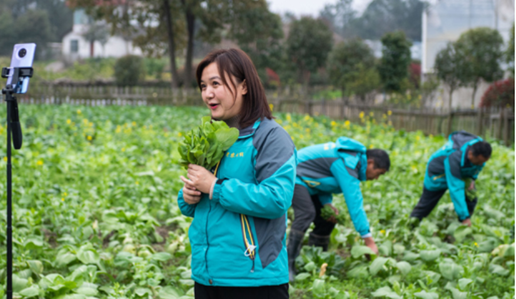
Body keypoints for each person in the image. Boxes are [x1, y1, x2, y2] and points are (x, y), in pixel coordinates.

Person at [177, 48, 297, 299]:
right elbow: (200, 202)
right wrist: (188, 196)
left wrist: (215, 186)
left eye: (216, 84)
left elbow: (277, 199)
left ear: (244, 86)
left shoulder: (271, 137)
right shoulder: (210, 137)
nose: (207, 93)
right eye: (202, 86)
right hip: (208, 276)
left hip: (254, 280)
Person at [287, 137, 390, 281]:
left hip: (307, 182)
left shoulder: (351, 160)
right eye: (379, 173)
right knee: (306, 213)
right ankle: (287, 265)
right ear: (371, 163)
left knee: (328, 219)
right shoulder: (348, 163)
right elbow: (355, 204)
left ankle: (316, 263)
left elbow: (322, 178)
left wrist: (327, 203)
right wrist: (369, 241)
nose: (377, 178)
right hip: (292, 176)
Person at [410, 131, 492, 226]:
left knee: (471, 198)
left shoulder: (480, 148)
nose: (481, 164)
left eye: (484, 162)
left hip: (462, 171)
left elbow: (477, 167)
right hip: (437, 174)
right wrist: (464, 217)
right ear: (470, 154)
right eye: (479, 161)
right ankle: (410, 226)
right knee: (426, 205)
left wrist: (472, 179)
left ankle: (461, 228)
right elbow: (456, 189)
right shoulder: (454, 155)